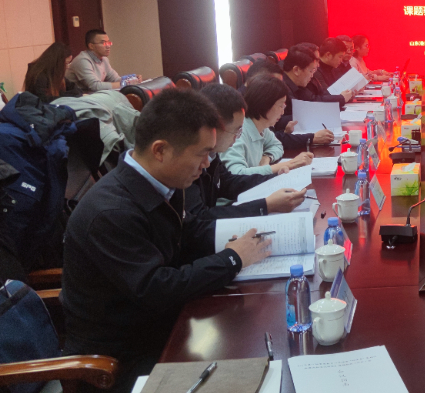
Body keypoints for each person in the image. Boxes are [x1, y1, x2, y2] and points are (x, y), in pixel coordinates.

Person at [61, 88, 272, 392]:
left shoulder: (164, 183)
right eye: (202, 154)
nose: (207, 164)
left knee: (252, 336)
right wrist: (231, 259)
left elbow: (191, 233)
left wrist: (239, 242)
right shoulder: (111, 213)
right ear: (160, 150)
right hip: (122, 359)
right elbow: (156, 288)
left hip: (163, 326)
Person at [185, 83, 308, 222]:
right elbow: (200, 219)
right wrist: (266, 206)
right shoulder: (188, 165)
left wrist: (275, 179)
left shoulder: (212, 155)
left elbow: (229, 182)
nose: (238, 136)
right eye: (236, 130)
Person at [221, 74, 313, 175]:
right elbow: (236, 174)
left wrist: (267, 157)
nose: (282, 112)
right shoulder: (238, 133)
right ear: (265, 104)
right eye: (281, 105)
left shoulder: (262, 127)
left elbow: (277, 145)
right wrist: (291, 163)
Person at [65, 29, 140, 93]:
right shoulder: (82, 60)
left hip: (92, 96)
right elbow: (95, 86)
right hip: (78, 98)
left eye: (108, 42)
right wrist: (125, 83)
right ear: (91, 46)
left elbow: (115, 79)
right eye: (103, 43)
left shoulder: (104, 59)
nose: (108, 46)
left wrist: (132, 79)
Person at [287, 46, 352, 108]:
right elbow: (312, 102)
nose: (312, 75)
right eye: (311, 71)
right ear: (296, 70)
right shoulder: (284, 90)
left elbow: (321, 94)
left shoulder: (298, 84)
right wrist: (341, 98)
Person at [309, 37, 354, 102]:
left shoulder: (334, 68)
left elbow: (343, 87)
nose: (341, 60)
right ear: (328, 55)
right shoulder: (316, 71)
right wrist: (342, 96)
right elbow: (326, 94)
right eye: (340, 57)